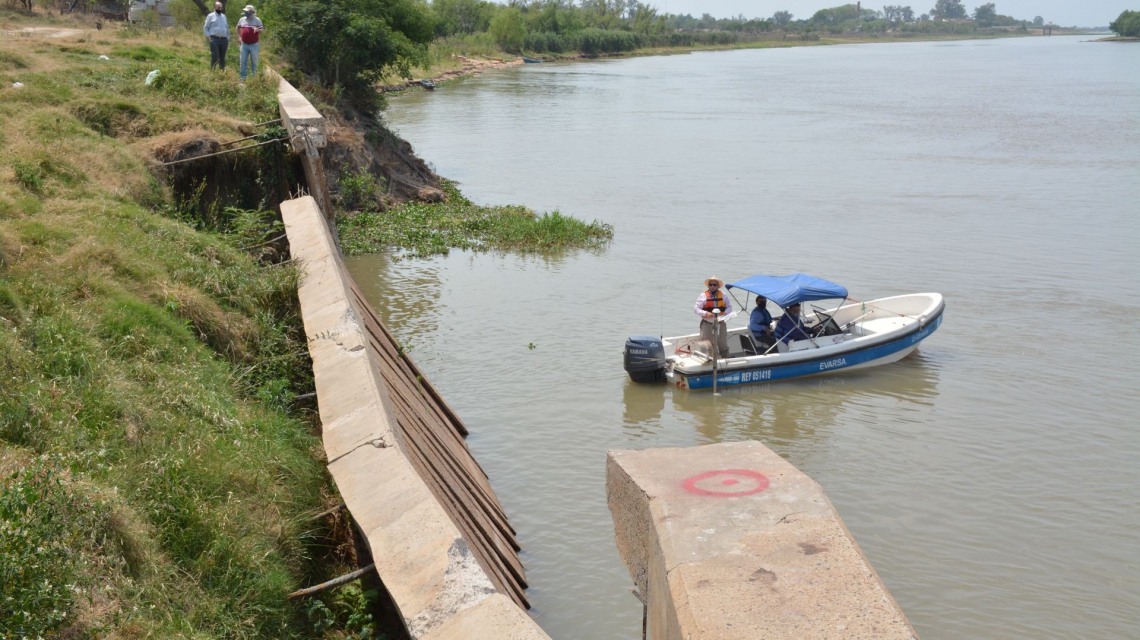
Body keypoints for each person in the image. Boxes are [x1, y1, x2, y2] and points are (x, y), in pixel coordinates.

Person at [694, 276, 732, 358]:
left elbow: (729, 307)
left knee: (723, 345)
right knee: (706, 345)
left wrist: (725, 312)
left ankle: (725, 359)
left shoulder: (723, 295)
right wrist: (706, 313)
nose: (712, 286)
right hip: (707, 324)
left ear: (718, 286)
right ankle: (707, 361)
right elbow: (696, 309)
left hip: (720, 323)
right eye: (710, 284)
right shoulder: (703, 296)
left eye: (714, 285)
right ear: (708, 285)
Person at [237, 5, 263, 82]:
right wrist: (239, 37)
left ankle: (254, 78)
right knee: (242, 61)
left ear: (252, 12)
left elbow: (262, 31)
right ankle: (243, 77)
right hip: (244, 44)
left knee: (254, 61)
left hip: (254, 45)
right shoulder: (242, 19)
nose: (245, 12)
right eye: (245, 11)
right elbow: (238, 27)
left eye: (247, 11)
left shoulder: (257, 20)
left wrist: (257, 29)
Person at [203, 1, 230, 71]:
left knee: (222, 57)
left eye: (221, 8)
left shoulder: (224, 17)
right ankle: (213, 71)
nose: (220, 9)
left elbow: (227, 27)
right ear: (214, 7)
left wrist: (228, 38)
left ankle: (222, 71)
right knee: (215, 56)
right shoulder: (210, 16)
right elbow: (206, 27)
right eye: (218, 7)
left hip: (224, 39)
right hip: (214, 39)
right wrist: (209, 37)